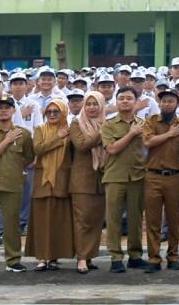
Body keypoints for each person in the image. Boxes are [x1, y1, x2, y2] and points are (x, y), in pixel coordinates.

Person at [0, 95, 35, 273]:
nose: (3, 110)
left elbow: (29, 158)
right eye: (0, 107)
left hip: (13, 183)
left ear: (13, 110)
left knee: (12, 223)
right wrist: (7, 141)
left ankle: (13, 259)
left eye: (7, 107)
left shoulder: (23, 133)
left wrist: (16, 169)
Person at [100, 86, 147, 273]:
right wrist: (132, 134)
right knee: (114, 219)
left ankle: (135, 256)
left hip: (137, 176)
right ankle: (115, 257)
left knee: (136, 218)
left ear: (136, 102)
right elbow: (111, 149)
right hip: (115, 176)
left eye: (129, 98)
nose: (125, 101)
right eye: (122, 98)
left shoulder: (143, 124)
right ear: (116, 102)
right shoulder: (108, 125)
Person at [141, 88, 179, 273]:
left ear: (177, 103)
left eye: (171, 101)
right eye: (164, 101)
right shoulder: (150, 121)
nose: (167, 104)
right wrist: (169, 134)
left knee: (174, 219)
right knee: (152, 219)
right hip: (153, 175)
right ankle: (154, 257)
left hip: (174, 176)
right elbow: (148, 142)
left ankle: (173, 256)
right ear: (159, 103)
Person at [26, 98, 75, 271]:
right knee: (40, 219)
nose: (52, 115)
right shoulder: (40, 129)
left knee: (58, 220)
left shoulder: (69, 131)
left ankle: (54, 257)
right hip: (43, 178)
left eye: (56, 111)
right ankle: (41, 258)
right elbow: (38, 149)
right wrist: (57, 138)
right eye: (49, 112)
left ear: (63, 112)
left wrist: (63, 136)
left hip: (62, 178)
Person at [69, 91, 107, 274]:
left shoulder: (106, 123)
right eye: (89, 104)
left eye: (95, 104)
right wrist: (102, 133)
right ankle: (81, 258)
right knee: (82, 219)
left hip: (101, 178)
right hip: (82, 179)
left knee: (96, 220)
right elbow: (82, 145)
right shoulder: (76, 123)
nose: (92, 108)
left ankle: (90, 256)